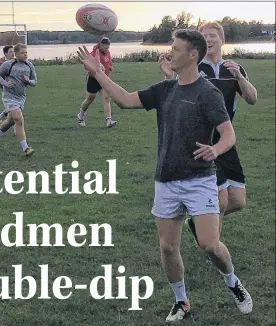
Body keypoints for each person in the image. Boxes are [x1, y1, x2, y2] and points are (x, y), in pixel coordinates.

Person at [77, 29, 253, 322]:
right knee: (168, 247)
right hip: (166, 180)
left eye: (176, 47)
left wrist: (216, 149)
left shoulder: (207, 93)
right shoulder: (165, 89)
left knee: (209, 244)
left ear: (192, 54)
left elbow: (228, 134)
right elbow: (124, 100)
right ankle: (181, 301)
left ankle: (233, 282)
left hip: (200, 179)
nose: (170, 52)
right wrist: (97, 72)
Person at [158, 22, 258, 242]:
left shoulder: (233, 68)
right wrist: (168, 76)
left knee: (238, 201)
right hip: (201, 144)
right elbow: (174, 96)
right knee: (220, 201)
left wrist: (240, 78)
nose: (209, 39)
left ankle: (198, 220)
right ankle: (212, 246)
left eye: (213, 35)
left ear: (222, 39)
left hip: (225, 140)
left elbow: (252, 99)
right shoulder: (194, 67)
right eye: (204, 36)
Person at [0, 43, 37, 156]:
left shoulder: (29, 65)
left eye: (26, 52)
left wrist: (29, 81)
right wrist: (5, 84)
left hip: (21, 97)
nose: (25, 54)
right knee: (19, 119)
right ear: (16, 54)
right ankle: (26, 148)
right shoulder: (8, 65)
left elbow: (34, 81)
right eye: (22, 53)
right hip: (9, 97)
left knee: (10, 121)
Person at [77, 37, 117, 128]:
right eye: (106, 47)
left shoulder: (108, 53)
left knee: (106, 98)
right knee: (89, 99)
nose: (107, 49)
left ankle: (109, 120)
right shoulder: (94, 54)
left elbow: (109, 62)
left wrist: (110, 67)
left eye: (108, 48)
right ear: (101, 45)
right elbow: (86, 64)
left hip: (104, 79)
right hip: (94, 80)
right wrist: (96, 67)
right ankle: (80, 116)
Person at [0, 45, 15, 133]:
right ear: (5, 54)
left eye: (13, 51)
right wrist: (4, 84)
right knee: (13, 111)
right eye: (10, 52)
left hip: (16, 91)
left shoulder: (16, 63)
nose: (13, 53)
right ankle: (16, 131)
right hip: (6, 91)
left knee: (12, 109)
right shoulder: (1, 64)